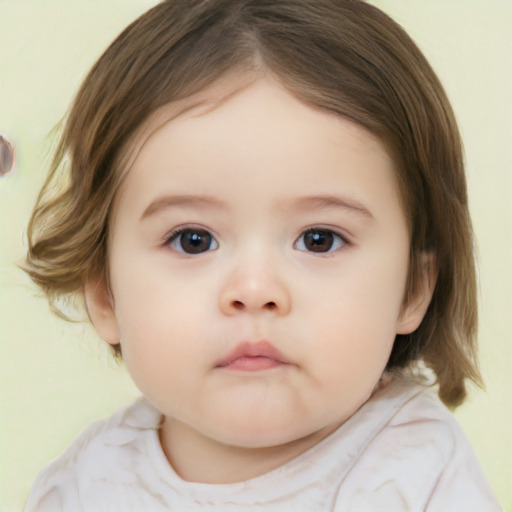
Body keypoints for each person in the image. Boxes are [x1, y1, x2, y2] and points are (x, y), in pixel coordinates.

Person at [23, 0, 502, 510]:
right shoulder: (84, 485)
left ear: (412, 288)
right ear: (104, 295)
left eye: (319, 239)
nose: (255, 291)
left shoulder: (416, 476)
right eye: (193, 240)